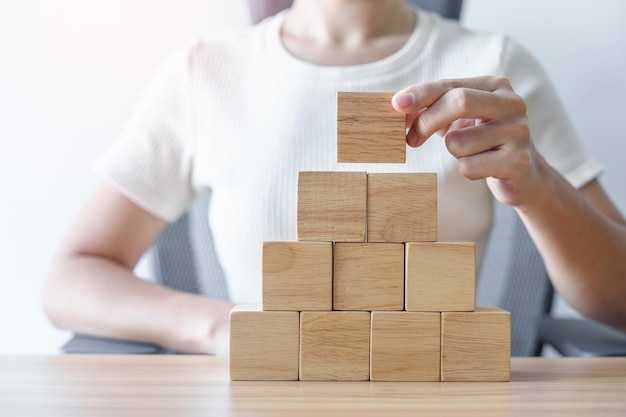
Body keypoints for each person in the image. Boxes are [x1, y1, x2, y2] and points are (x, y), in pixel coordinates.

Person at [42, 0, 626, 354]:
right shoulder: (205, 71)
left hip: (433, 393)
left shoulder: (493, 67)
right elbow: (71, 277)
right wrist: (219, 327)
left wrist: (539, 189)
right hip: (263, 394)